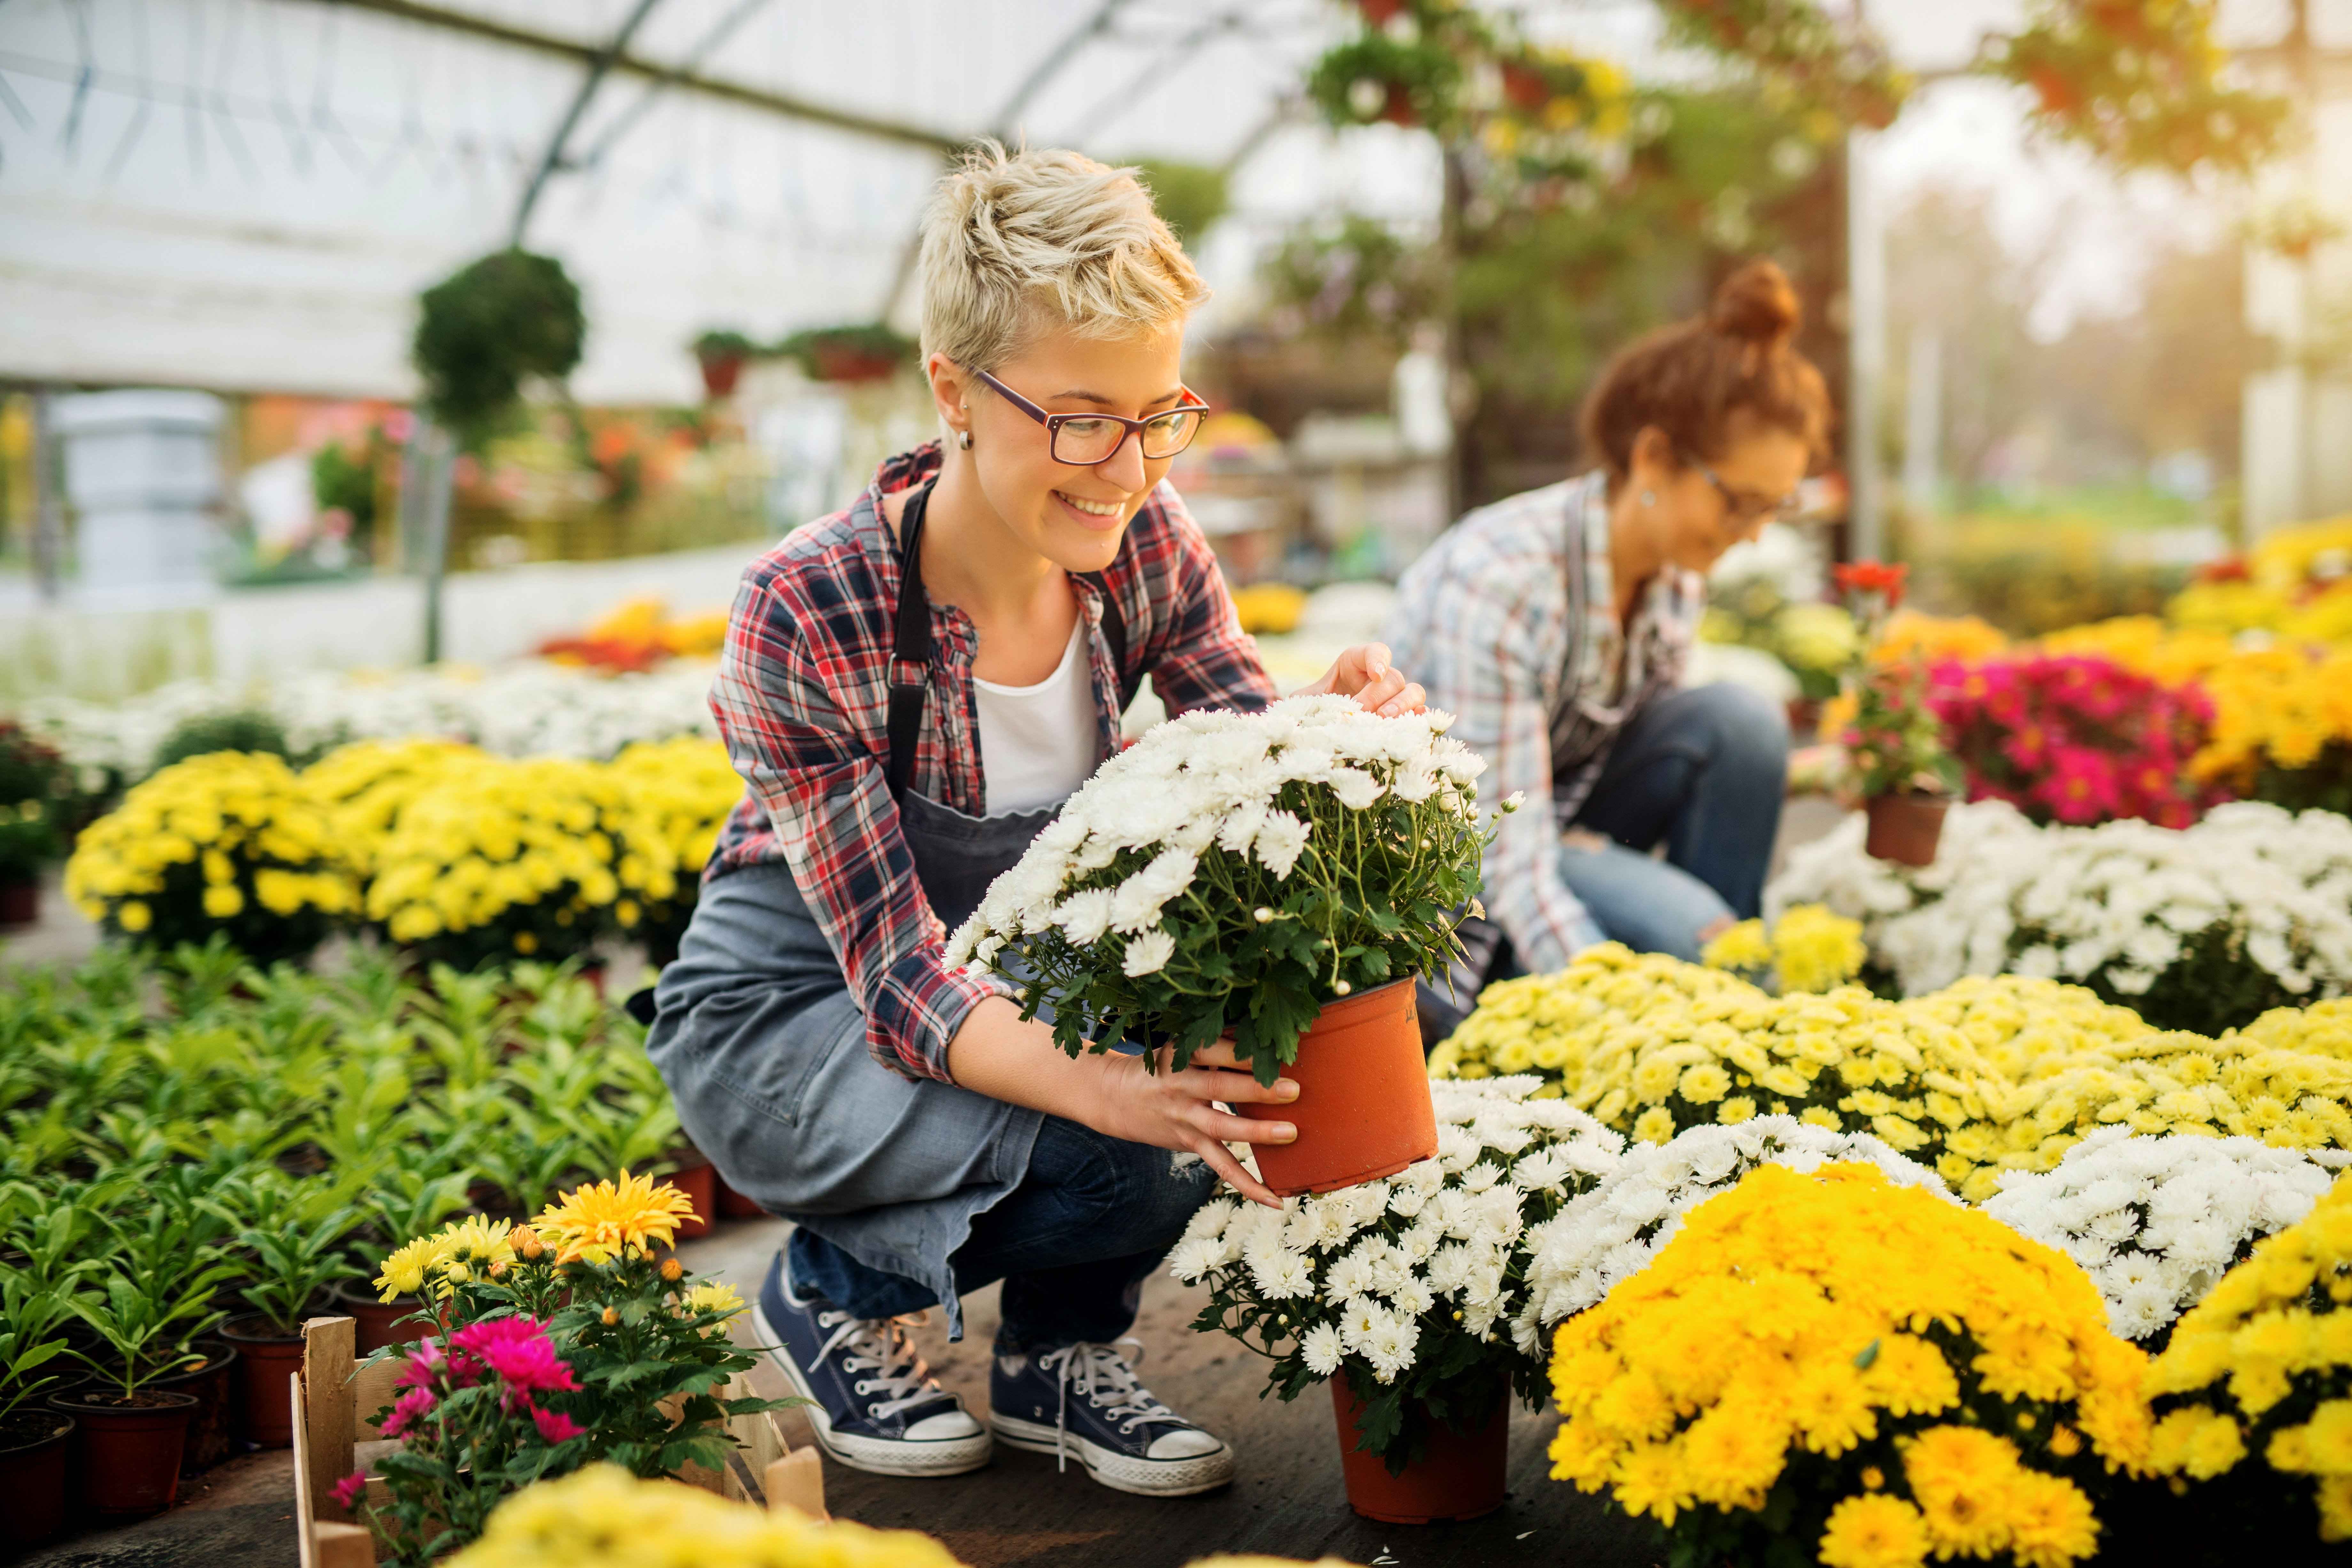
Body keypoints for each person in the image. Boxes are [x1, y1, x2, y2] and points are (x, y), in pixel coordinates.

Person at [644, 145, 1424, 1497]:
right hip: (799, 1017)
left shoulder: (1146, 539)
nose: (1123, 467)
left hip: (1006, 977)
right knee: (1141, 1130)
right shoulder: (812, 605)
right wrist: (1119, 1083)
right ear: (954, 389)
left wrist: (1332, 726)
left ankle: (1056, 1354)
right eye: (1078, 417)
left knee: (1248, 1077)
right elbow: (894, 976)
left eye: (1153, 414)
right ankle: (827, 1283)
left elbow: (1241, 745)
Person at [1384, 261, 1830, 1032]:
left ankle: (1724, 1010)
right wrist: (1620, 1015)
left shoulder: (1671, 575)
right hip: (1452, 881)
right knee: (1696, 943)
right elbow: (1502, 857)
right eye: (1741, 502)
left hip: (1557, 827)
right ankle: (1698, 1009)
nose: (1755, 532)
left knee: (1743, 725)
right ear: (1654, 457)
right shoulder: (1506, 579)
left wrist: (1828, 771)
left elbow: (1650, 759)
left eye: (1774, 507)